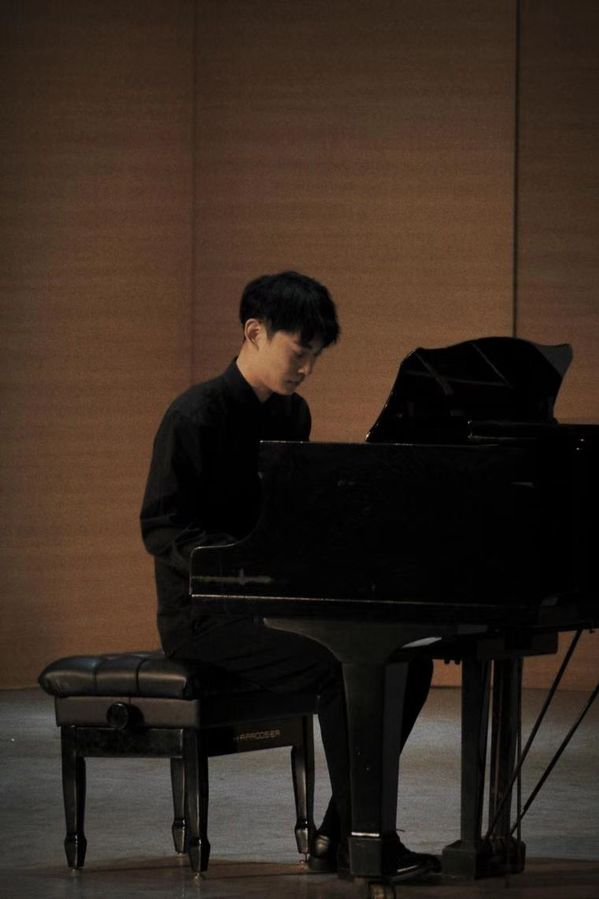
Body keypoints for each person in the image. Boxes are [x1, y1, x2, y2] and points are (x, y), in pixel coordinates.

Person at [140, 270, 437, 878]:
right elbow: (162, 527)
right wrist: (236, 564)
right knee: (338, 663)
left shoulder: (292, 414)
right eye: (299, 351)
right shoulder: (194, 415)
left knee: (407, 660)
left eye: (315, 356)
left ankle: (339, 833)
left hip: (266, 605)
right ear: (255, 332)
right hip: (204, 617)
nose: (307, 368)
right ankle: (366, 841)